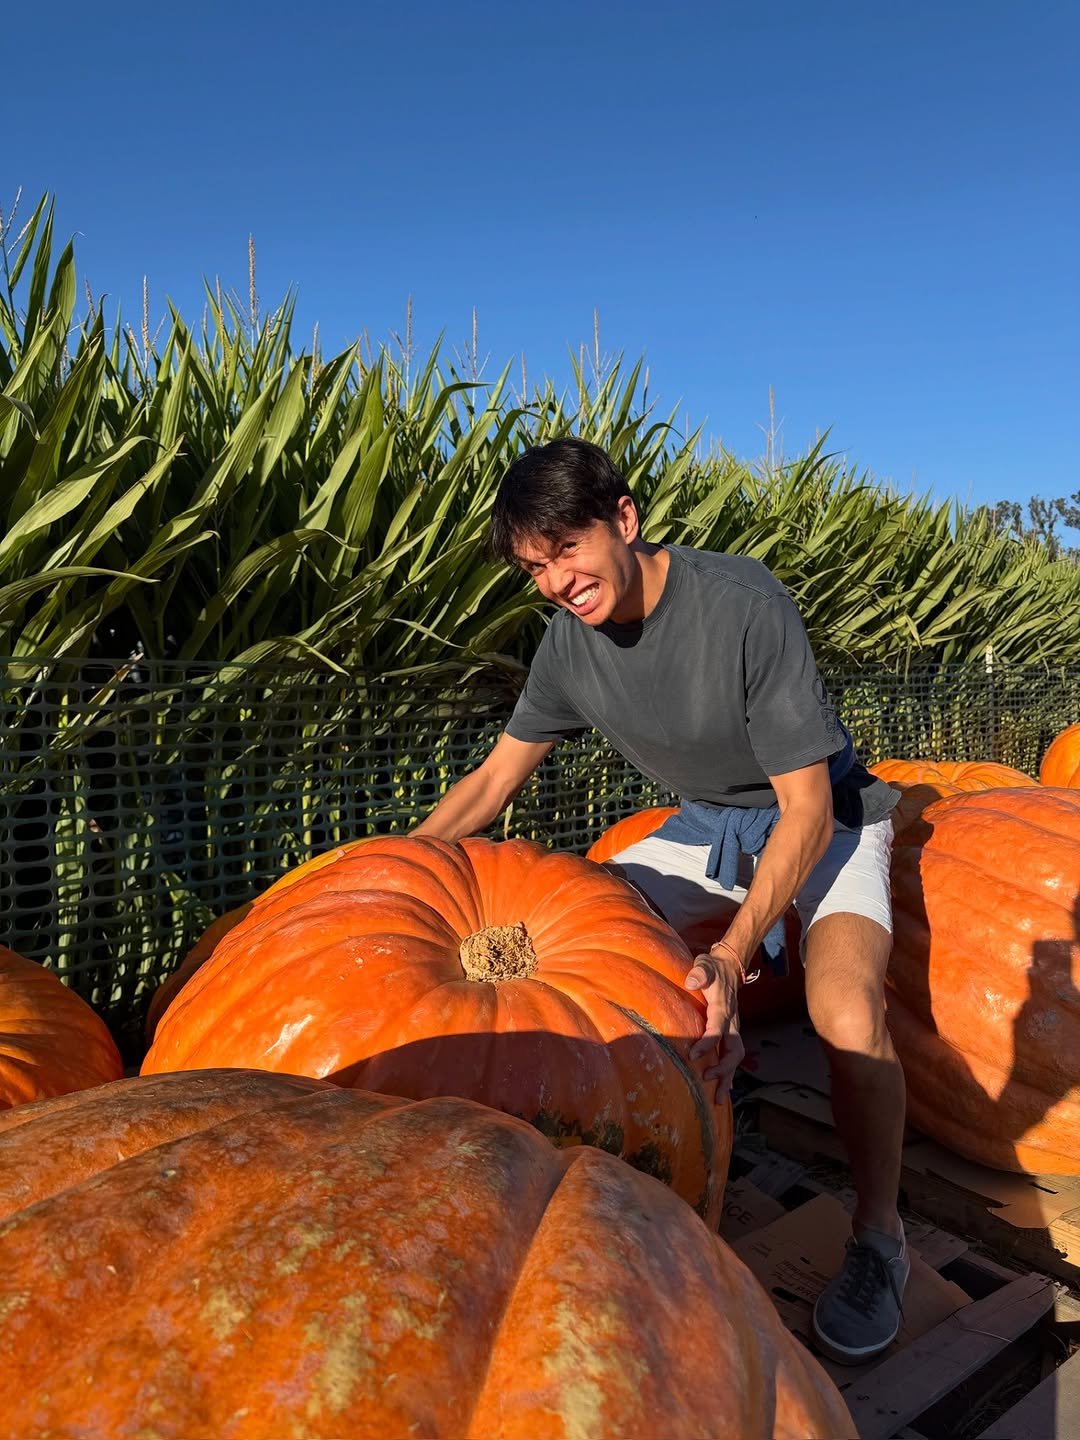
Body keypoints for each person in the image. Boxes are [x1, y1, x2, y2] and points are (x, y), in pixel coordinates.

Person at [414, 436, 907, 1364]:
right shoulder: (568, 648)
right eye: (533, 566)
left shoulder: (742, 604)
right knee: (581, 958)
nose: (557, 579)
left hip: (827, 812)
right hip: (707, 824)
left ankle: (880, 1239)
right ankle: (660, 1168)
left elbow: (803, 808)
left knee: (844, 1012)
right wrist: (384, 868)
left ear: (625, 522)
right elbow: (490, 786)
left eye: (567, 549)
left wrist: (732, 951)